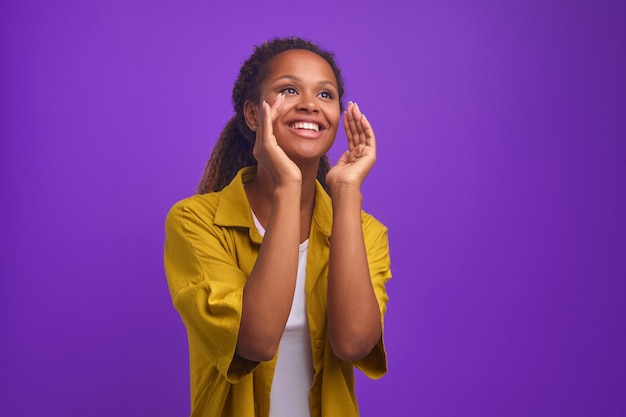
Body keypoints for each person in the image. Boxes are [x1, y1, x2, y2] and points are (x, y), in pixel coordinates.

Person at [164, 37, 392, 417]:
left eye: (325, 94)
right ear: (253, 115)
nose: (309, 104)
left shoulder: (365, 230)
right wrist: (288, 185)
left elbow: (353, 343)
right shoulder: (195, 222)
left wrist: (347, 190)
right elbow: (254, 341)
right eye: (289, 89)